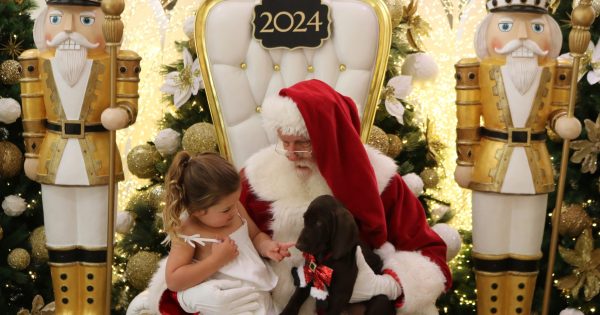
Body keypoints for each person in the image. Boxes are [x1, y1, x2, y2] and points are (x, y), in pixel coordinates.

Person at [454, 1, 581, 314]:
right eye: (508, 27)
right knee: (490, 249)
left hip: (534, 170)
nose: (523, 38)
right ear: (488, 33)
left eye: (536, 28)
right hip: (489, 166)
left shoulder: (558, 72)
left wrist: (562, 121)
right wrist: (465, 160)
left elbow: (557, 110)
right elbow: (467, 119)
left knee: (526, 251)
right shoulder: (476, 70)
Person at [18, 0, 139, 314]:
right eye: (57, 19)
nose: (68, 30)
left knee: (95, 239)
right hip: (53, 159)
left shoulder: (117, 60)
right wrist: (31, 152)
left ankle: (94, 306)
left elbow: (128, 102)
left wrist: (121, 114)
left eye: (85, 20)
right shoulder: (36, 62)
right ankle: (68, 307)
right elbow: (33, 112)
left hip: (96, 160)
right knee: (60, 239)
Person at [161, 151, 294, 315]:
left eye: (235, 202)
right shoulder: (188, 231)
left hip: (259, 294)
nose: (234, 209)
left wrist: (267, 246)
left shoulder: (234, 207)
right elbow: (174, 281)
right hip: (229, 304)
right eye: (226, 209)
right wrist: (216, 261)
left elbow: (255, 236)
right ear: (197, 211)